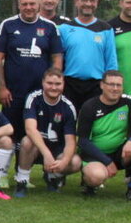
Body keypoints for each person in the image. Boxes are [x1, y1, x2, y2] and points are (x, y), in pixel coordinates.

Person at [0, 0, 64, 143]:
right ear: (19, 5)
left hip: (40, 93)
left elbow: (57, 58)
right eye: (24, 4)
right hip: (13, 93)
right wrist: (2, 87)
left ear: (38, 4)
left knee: (39, 135)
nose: (29, 8)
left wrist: (53, 86)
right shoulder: (8, 25)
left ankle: (42, 166)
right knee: (10, 136)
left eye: (32, 3)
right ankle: (5, 167)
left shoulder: (50, 27)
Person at [77, 70, 131, 201]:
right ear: (102, 85)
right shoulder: (90, 106)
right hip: (95, 154)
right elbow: (83, 141)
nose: (115, 88)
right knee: (95, 177)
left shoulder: (128, 101)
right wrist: (107, 162)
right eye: (111, 84)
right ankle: (89, 183)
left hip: (119, 152)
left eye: (118, 85)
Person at [12, 68, 81, 196]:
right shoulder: (33, 98)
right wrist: (46, 154)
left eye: (58, 84)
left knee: (75, 162)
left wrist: (64, 161)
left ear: (63, 84)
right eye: (50, 83)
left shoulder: (69, 106)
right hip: (37, 148)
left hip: (57, 151)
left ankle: (53, 176)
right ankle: (22, 180)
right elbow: (30, 129)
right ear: (43, 82)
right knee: (27, 141)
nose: (53, 87)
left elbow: (71, 141)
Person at [58, 0, 118, 111]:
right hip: (70, 85)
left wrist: (111, 84)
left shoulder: (106, 29)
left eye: (92, 1)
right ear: (76, 2)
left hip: (96, 86)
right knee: (68, 123)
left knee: (93, 125)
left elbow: (111, 61)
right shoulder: (64, 28)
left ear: (97, 3)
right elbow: (58, 59)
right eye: (84, 0)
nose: (88, 4)